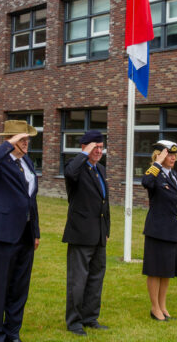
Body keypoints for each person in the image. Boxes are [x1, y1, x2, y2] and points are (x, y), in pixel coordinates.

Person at [0, 120, 40, 342]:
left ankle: (12, 332)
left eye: (27, 139)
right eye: (22, 139)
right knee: (1, 286)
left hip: (25, 234)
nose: (26, 143)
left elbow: (31, 200)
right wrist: (9, 144)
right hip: (4, 234)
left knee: (20, 287)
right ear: (10, 140)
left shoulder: (27, 162)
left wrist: (35, 232)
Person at [62, 130, 111, 336]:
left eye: (101, 147)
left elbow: (103, 202)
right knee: (78, 279)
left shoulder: (99, 169)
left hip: (98, 234)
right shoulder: (76, 168)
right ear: (84, 147)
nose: (99, 151)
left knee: (96, 278)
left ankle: (90, 317)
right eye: (94, 147)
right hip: (81, 234)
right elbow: (69, 173)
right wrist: (84, 153)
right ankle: (74, 321)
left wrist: (106, 229)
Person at [141, 140, 177, 321]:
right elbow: (146, 181)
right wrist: (157, 163)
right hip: (158, 230)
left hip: (173, 229)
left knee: (167, 270)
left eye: (175, 154)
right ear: (159, 155)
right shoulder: (155, 173)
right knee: (155, 269)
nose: (173, 157)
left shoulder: (174, 175)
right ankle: (154, 307)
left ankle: (163, 305)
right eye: (169, 154)